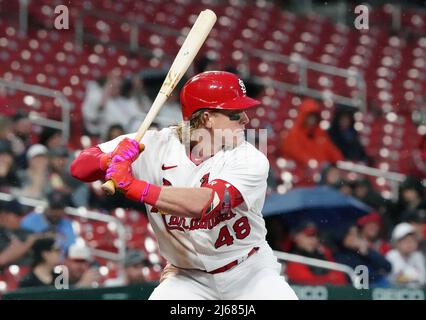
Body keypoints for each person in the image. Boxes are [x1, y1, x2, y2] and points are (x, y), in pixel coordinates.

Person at [71, 71, 299, 300]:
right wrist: (108, 160)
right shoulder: (155, 145)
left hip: (249, 272)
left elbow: (204, 203)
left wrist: (132, 186)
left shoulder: (249, 159)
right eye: (235, 113)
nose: (245, 119)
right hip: (188, 278)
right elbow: (79, 168)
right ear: (208, 118)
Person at [280, 98, 343, 168]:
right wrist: (309, 161)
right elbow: (294, 151)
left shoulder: (320, 134)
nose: (312, 120)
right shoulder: (294, 133)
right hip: (299, 169)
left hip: (319, 169)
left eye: (314, 117)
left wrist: (339, 161)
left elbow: (330, 149)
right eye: (309, 117)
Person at [285, 221, 347, 286]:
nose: (314, 239)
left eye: (316, 235)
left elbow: (341, 279)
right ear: (296, 237)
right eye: (309, 235)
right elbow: (307, 282)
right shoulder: (290, 258)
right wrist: (329, 279)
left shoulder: (324, 253)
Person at [0, 199, 40, 267]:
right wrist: (26, 245)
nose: (20, 219)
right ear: (4, 215)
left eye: (22, 216)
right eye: (17, 216)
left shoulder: (22, 232)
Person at [386, 223, 426, 288]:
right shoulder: (391, 256)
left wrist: (406, 277)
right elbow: (391, 279)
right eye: (406, 241)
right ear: (397, 243)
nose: (410, 244)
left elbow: (423, 279)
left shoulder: (418, 256)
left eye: (413, 240)